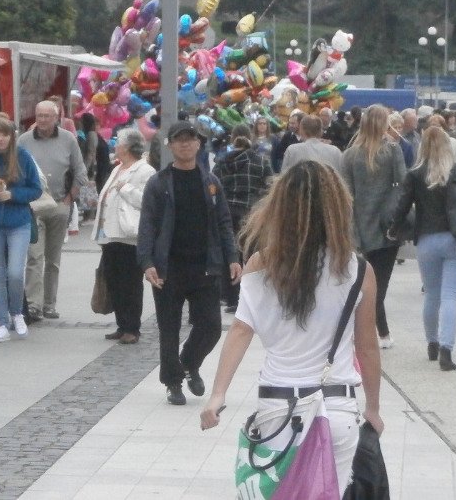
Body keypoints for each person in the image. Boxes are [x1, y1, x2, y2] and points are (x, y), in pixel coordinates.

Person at [200, 161, 384, 492]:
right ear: (338, 207)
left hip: (278, 408)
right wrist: (373, 407)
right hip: (336, 407)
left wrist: (218, 395)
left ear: (279, 207)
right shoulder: (357, 270)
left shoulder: (262, 264)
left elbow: (241, 330)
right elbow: (367, 347)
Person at [138, 121, 242, 406]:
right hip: (168, 268)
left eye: (190, 139)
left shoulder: (211, 182)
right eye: (179, 139)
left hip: (205, 266)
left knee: (211, 327)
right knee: (169, 329)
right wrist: (146, 262)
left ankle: (188, 364)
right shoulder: (159, 183)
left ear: (199, 144)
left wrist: (232, 257)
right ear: (170, 145)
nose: (185, 144)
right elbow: (147, 225)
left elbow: (224, 223)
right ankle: (173, 383)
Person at [387, 126, 456, 371]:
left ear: (422, 147)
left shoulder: (415, 174)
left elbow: (402, 206)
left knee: (432, 295)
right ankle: (446, 350)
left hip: (427, 240)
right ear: (447, 145)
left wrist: (394, 229)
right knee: (450, 296)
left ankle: (432, 344)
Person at [341, 105, 406, 350]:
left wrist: (350, 230)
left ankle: (375, 332)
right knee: (379, 286)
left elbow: (346, 195)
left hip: (359, 228)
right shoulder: (392, 150)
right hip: (387, 228)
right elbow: (403, 184)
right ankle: (380, 334)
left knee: (361, 284)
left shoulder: (350, 155)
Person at [0, 116, 42, 342]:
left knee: (14, 272)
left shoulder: (23, 157)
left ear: (11, 137)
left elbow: (36, 189)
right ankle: (1, 322)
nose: (0, 139)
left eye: (4, 134)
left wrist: (13, 194)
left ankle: (17, 313)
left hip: (18, 223)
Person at [18, 100, 88, 320]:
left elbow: (80, 172)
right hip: (33, 207)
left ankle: (49, 304)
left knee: (53, 259)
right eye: (39, 116)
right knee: (34, 257)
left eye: (47, 116)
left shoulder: (68, 139)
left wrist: (69, 199)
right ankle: (33, 305)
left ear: (56, 118)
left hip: (59, 205)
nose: (42, 120)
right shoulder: (24, 140)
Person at [93, 129, 155, 344]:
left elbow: (147, 201)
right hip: (110, 234)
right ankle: (121, 325)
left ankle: (132, 327)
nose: (115, 145)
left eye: (118, 142)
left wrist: (126, 188)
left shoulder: (145, 170)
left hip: (129, 236)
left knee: (130, 283)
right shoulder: (117, 168)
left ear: (128, 147)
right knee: (114, 281)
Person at [212, 124, 272, 314]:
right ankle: (255, 296)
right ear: (250, 138)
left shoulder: (221, 162)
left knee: (230, 255)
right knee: (254, 255)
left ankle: (232, 297)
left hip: (227, 213)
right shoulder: (260, 161)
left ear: (233, 139)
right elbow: (270, 188)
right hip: (252, 214)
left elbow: (212, 186)